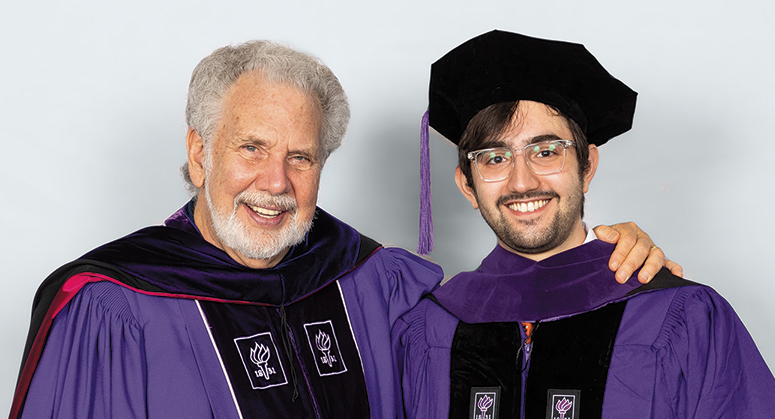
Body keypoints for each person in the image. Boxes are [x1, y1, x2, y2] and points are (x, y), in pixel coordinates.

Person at [11, 40, 673, 419]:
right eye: (251, 148)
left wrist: (597, 255)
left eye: (300, 156)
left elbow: (511, 319)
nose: (275, 182)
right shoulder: (109, 307)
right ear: (198, 151)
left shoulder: (373, 283)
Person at [394, 30, 775, 419]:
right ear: (468, 186)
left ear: (587, 167)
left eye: (546, 152)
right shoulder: (427, 327)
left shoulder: (682, 316)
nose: (522, 181)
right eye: (494, 158)